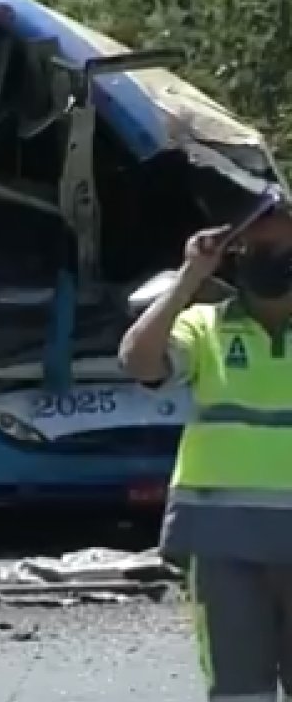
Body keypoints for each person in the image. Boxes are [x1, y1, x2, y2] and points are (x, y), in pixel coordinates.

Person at [118, 201, 292, 702]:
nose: (268, 257)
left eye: (280, 246)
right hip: (224, 545)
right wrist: (190, 276)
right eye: (256, 247)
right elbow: (138, 361)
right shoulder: (204, 326)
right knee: (239, 692)